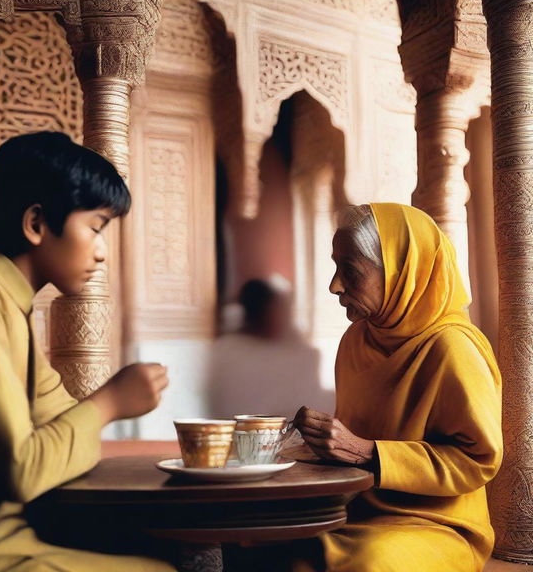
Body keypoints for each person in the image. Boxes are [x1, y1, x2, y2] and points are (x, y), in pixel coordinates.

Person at [0, 132, 175, 572]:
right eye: (96, 228)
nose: (102, 253)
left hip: (10, 542)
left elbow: (59, 424)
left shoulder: (8, 302)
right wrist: (111, 402)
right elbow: (23, 469)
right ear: (37, 224)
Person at [294, 203, 502, 572]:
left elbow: (478, 460)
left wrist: (363, 452)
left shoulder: (451, 347)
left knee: (367, 563)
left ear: (401, 272)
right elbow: (353, 445)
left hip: (437, 527)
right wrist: (316, 447)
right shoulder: (356, 340)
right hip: (357, 512)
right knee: (274, 545)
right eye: (335, 266)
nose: (334, 285)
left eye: (351, 272)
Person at [209, 277, 327, 420]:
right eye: (281, 309)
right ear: (261, 312)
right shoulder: (231, 351)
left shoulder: (295, 351)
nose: (287, 317)